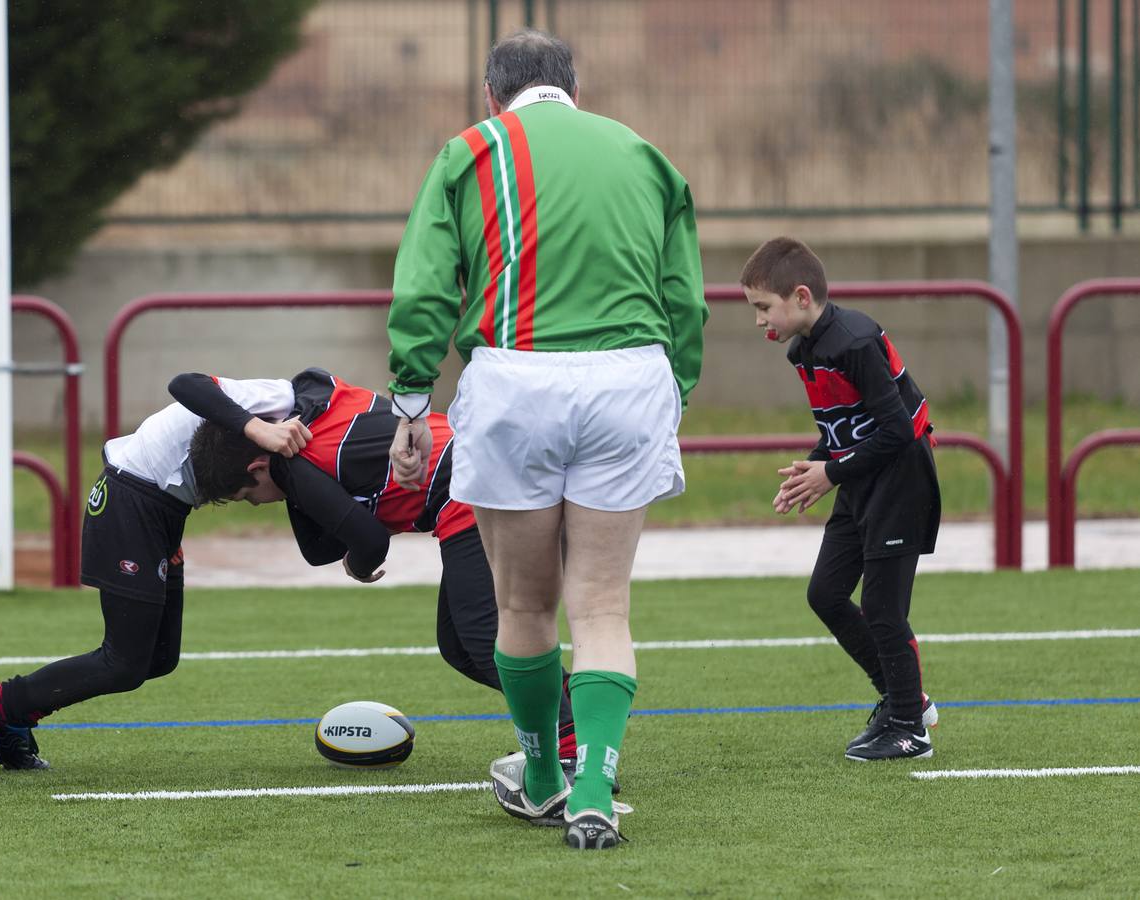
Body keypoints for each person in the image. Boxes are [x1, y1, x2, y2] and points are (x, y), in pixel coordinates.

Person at [384, 30, 707, 849]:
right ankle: (595, 783)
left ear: (494, 97)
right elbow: (686, 301)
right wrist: (676, 389)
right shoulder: (643, 154)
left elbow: (425, 283)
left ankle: (541, 779)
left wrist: (412, 396)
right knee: (604, 606)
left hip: (517, 380)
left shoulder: (471, 150)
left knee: (525, 605)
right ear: (574, 87)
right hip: (629, 378)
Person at [176, 368, 582, 773]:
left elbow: (370, 542)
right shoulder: (310, 397)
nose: (259, 504)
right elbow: (319, 548)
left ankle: (567, 744)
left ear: (257, 469)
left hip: (470, 492)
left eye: (249, 497)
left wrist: (357, 562)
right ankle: (579, 705)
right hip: (481, 476)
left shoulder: (291, 468)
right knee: (460, 648)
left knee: (478, 639)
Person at [0, 377, 312, 781]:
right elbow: (186, 384)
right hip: (134, 499)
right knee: (122, 663)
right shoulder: (281, 396)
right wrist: (257, 428)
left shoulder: (301, 417)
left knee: (159, 657)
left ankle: (10, 717)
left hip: (164, 510)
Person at [740, 236, 941, 762]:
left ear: (801, 297)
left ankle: (910, 729)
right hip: (861, 479)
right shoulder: (804, 350)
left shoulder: (853, 340)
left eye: (764, 307)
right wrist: (816, 464)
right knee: (825, 594)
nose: (760, 320)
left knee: (882, 608)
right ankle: (906, 702)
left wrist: (830, 473)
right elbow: (848, 427)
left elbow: (897, 429)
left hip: (899, 481)